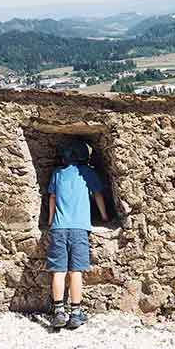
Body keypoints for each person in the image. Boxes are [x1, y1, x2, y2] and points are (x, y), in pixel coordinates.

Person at [46, 140, 109, 329]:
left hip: (58, 227)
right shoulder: (87, 173)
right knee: (76, 272)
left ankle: (58, 311)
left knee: (58, 270)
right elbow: (97, 194)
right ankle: (75, 313)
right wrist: (104, 216)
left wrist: (50, 221)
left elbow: (52, 197)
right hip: (79, 228)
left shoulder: (57, 174)